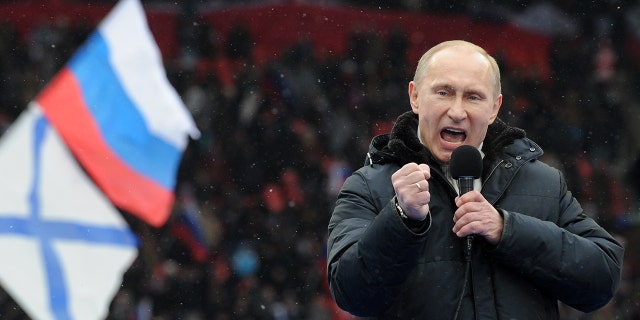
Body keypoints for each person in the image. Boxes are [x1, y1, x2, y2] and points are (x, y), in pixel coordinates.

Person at [326, 40, 624, 319]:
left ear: (494, 108)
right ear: (415, 97)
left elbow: (602, 278)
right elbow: (351, 294)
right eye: (443, 92)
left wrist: (507, 229)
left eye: (473, 96)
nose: (457, 111)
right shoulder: (368, 186)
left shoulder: (543, 183)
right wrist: (401, 219)